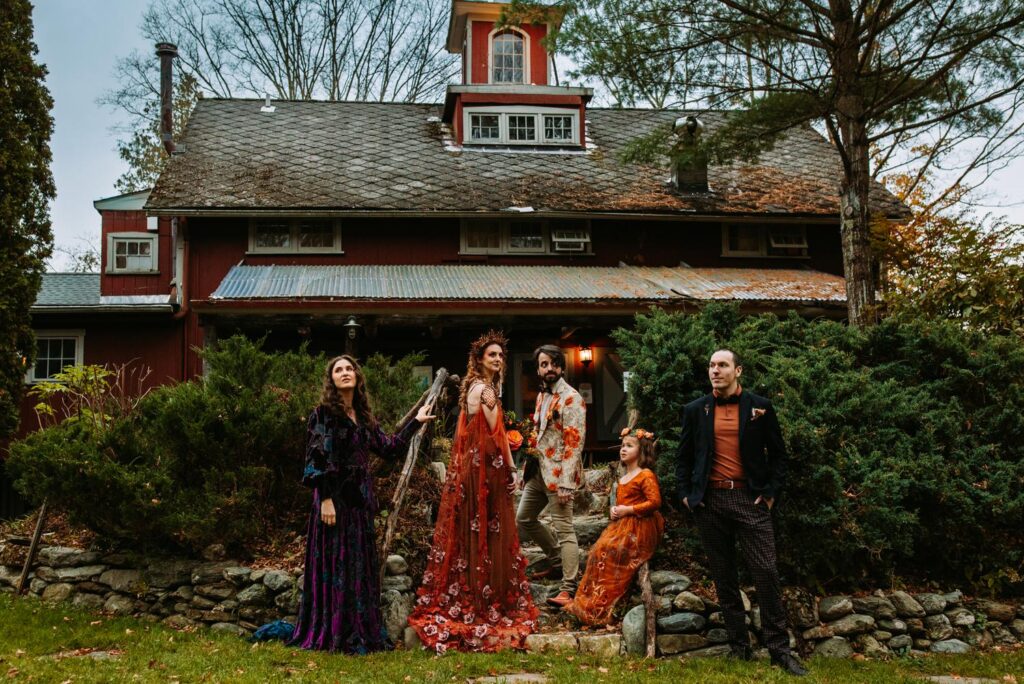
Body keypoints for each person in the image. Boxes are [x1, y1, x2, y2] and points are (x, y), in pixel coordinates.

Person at [289, 355, 435, 654]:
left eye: (348, 368)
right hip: (333, 502)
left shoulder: (364, 417)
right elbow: (315, 460)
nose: (344, 373)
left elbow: (389, 448)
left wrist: (415, 423)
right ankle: (333, 633)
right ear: (331, 380)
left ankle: (355, 630)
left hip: (359, 504)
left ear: (357, 376)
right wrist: (326, 499)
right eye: (338, 370)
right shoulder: (323, 415)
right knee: (335, 565)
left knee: (356, 569)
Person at [677, 349, 807, 676]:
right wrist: (686, 496)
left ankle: (780, 651)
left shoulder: (760, 407)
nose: (715, 370)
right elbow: (683, 458)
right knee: (724, 577)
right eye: (711, 365)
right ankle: (740, 647)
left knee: (766, 572)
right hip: (710, 503)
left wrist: (770, 494)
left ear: (738, 371)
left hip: (751, 500)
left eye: (722, 365)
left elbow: (779, 455)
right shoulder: (695, 410)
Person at [408, 331, 538, 653]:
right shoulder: (487, 390)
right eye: (491, 355)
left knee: (471, 532)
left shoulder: (470, 387)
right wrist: (512, 469)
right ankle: (485, 601)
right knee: (489, 532)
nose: (497, 359)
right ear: (479, 359)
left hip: (471, 470)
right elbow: (497, 435)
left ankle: (471, 593)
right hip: (486, 470)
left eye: (500, 355)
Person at [563, 427, 664, 625]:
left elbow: (655, 502)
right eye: (622, 446)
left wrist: (629, 510)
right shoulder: (623, 477)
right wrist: (614, 510)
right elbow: (619, 503)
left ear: (642, 450)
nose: (623, 449)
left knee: (613, 550)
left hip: (642, 524)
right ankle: (590, 603)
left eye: (629, 446)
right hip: (623, 523)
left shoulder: (645, 475)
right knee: (598, 551)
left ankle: (605, 605)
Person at [516, 344, 585, 608]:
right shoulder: (541, 397)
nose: (549, 369)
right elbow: (539, 433)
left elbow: (574, 442)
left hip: (559, 476)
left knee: (565, 529)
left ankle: (569, 587)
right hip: (537, 472)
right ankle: (556, 561)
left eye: (553, 363)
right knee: (524, 518)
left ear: (561, 367)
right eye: (543, 364)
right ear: (538, 369)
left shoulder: (572, 398)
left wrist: (568, 482)